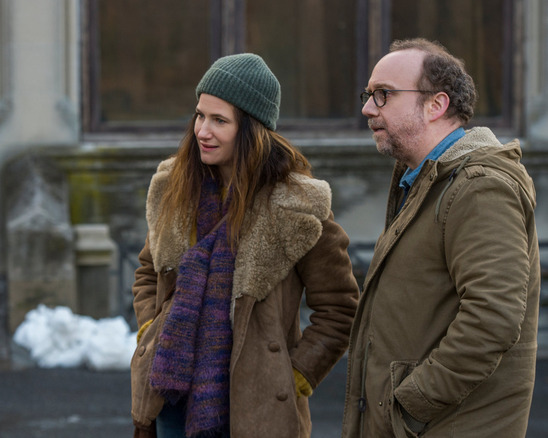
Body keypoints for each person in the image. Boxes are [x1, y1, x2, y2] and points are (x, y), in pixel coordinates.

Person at [130, 53, 360, 438]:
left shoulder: (295, 206)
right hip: (168, 393)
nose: (203, 131)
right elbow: (147, 272)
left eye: (220, 121)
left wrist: (293, 377)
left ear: (252, 129)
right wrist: (152, 331)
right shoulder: (176, 188)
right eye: (200, 115)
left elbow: (340, 309)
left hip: (258, 408)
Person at [342, 38, 540, 437]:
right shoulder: (422, 181)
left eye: (383, 95)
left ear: (436, 105)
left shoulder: (479, 188)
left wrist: (412, 405)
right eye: (368, 95)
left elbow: (493, 318)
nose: (367, 108)